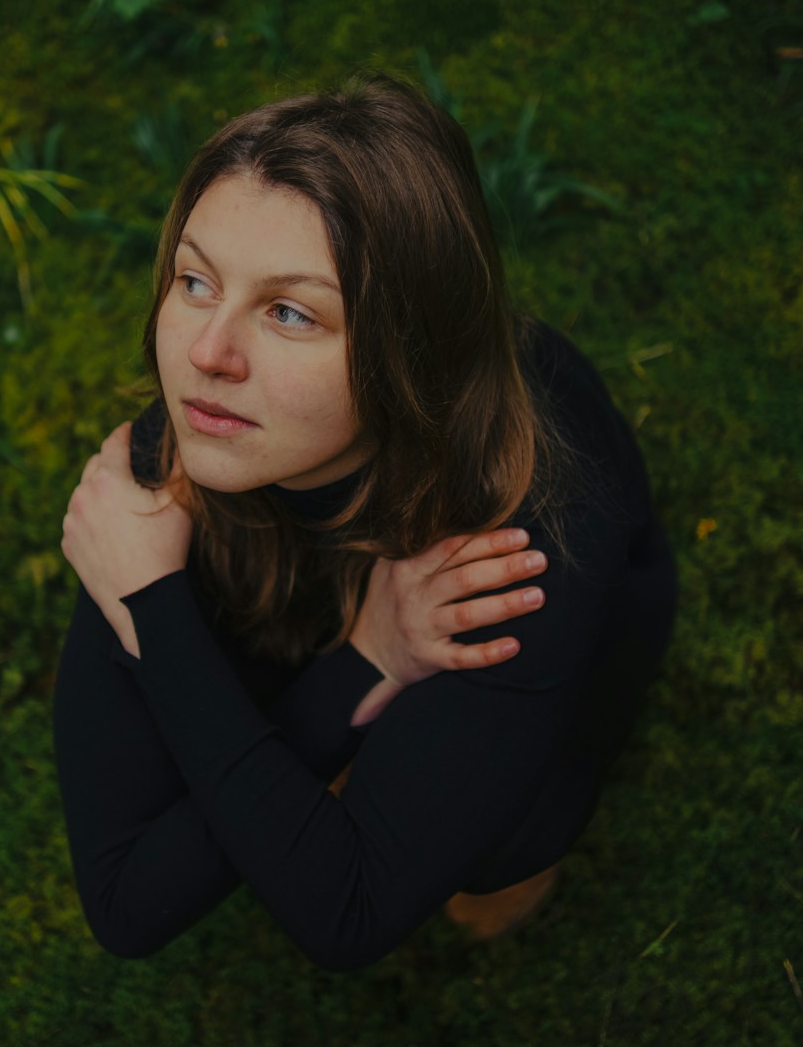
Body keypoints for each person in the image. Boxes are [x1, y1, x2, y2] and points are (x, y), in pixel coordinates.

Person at [53, 73, 676, 972]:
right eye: (196, 279)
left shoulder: (524, 535)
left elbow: (351, 908)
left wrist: (151, 603)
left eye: (290, 311)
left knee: (490, 852)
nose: (205, 354)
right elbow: (123, 899)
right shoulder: (170, 467)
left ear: (409, 350)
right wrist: (363, 666)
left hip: (555, 653)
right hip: (334, 625)